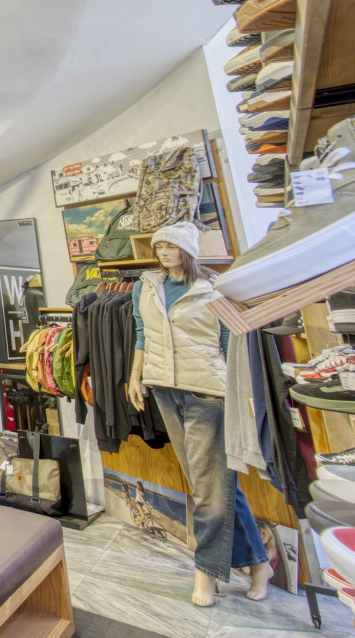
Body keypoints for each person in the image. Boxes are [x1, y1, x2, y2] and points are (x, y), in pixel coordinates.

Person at [126, 221, 274, 606]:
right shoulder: (146, 287)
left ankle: (206, 573)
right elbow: (142, 333)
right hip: (164, 390)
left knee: (209, 490)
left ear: (188, 251)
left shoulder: (213, 289)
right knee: (214, 487)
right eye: (159, 247)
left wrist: (242, 394)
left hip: (207, 394)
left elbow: (230, 342)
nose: (164, 253)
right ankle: (260, 564)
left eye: (171, 247)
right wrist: (135, 376)